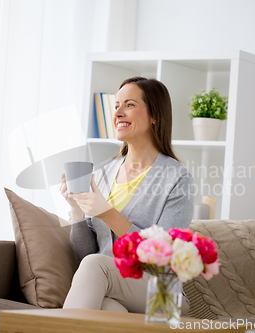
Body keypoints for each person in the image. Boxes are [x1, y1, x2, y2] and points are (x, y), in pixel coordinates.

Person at [60, 76, 194, 314]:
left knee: (96, 268)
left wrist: (107, 213)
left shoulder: (177, 178)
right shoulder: (102, 173)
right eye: (116, 106)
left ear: (154, 116)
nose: (118, 113)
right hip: (114, 286)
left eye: (129, 105)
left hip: (162, 293)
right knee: (107, 309)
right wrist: (77, 211)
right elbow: (87, 255)